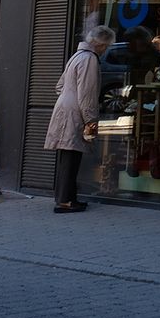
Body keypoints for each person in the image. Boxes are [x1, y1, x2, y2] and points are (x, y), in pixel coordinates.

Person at [44, 24, 114, 213]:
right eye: (106, 46)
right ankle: (66, 201)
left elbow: (59, 86)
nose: (105, 50)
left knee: (67, 155)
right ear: (101, 44)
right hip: (75, 112)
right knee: (72, 156)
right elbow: (87, 93)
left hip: (65, 108)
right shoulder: (90, 59)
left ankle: (65, 197)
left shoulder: (77, 56)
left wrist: (68, 97)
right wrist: (91, 120)